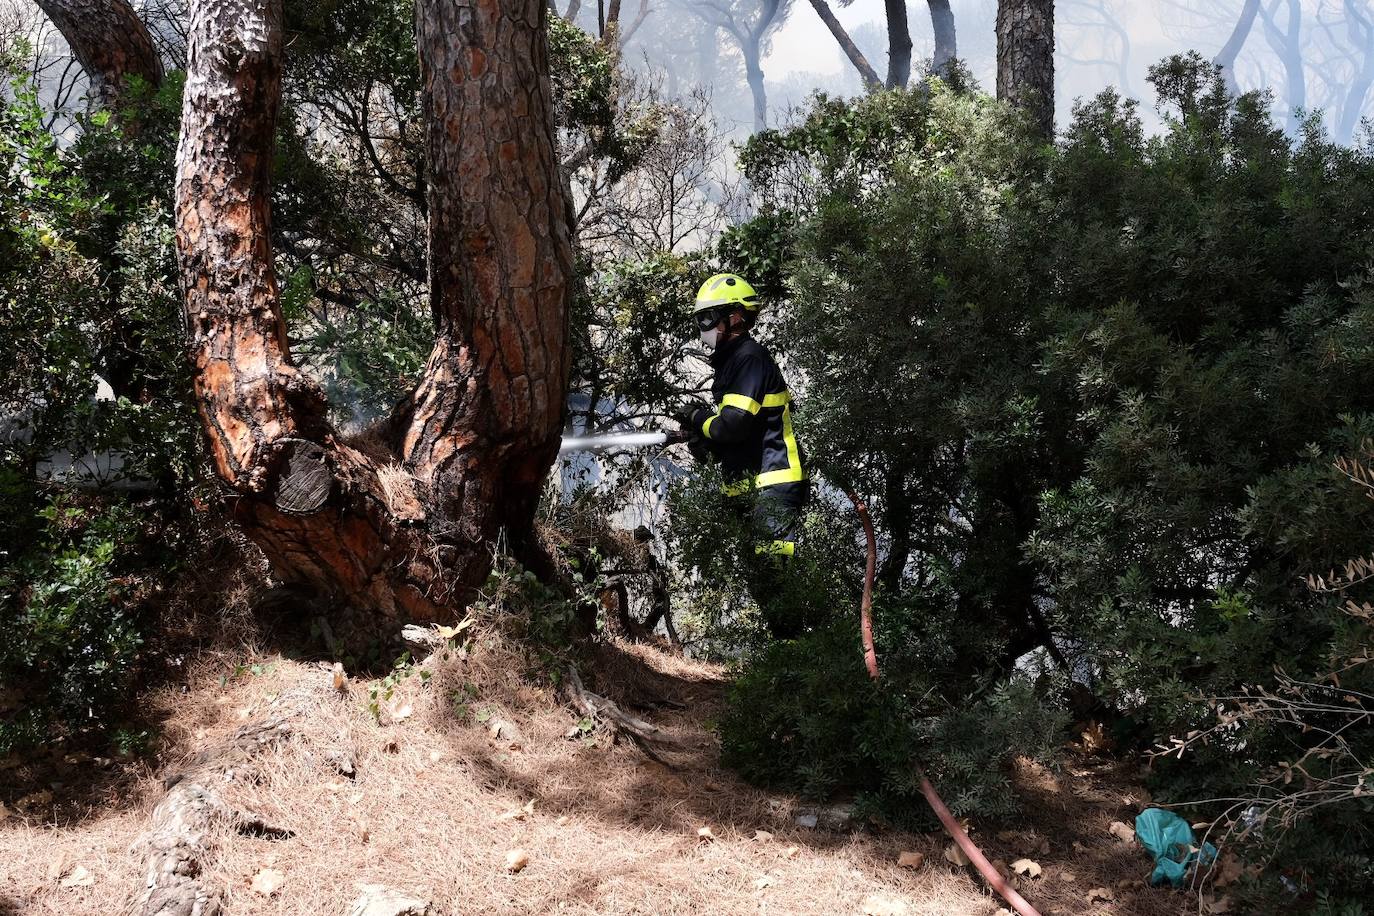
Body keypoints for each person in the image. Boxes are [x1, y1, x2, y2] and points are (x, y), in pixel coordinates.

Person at [677, 272, 812, 639]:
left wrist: (698, 418)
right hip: (754, 490)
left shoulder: (750, 359)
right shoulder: (733, 362)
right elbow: (738, 435)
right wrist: (706, 442)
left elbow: (733, 425)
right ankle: (789, 666)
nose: (703, 328)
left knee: (776, 580)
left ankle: (798, 668)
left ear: (734, 317)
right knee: (765, 583)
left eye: (708, 318)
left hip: (773, 487)